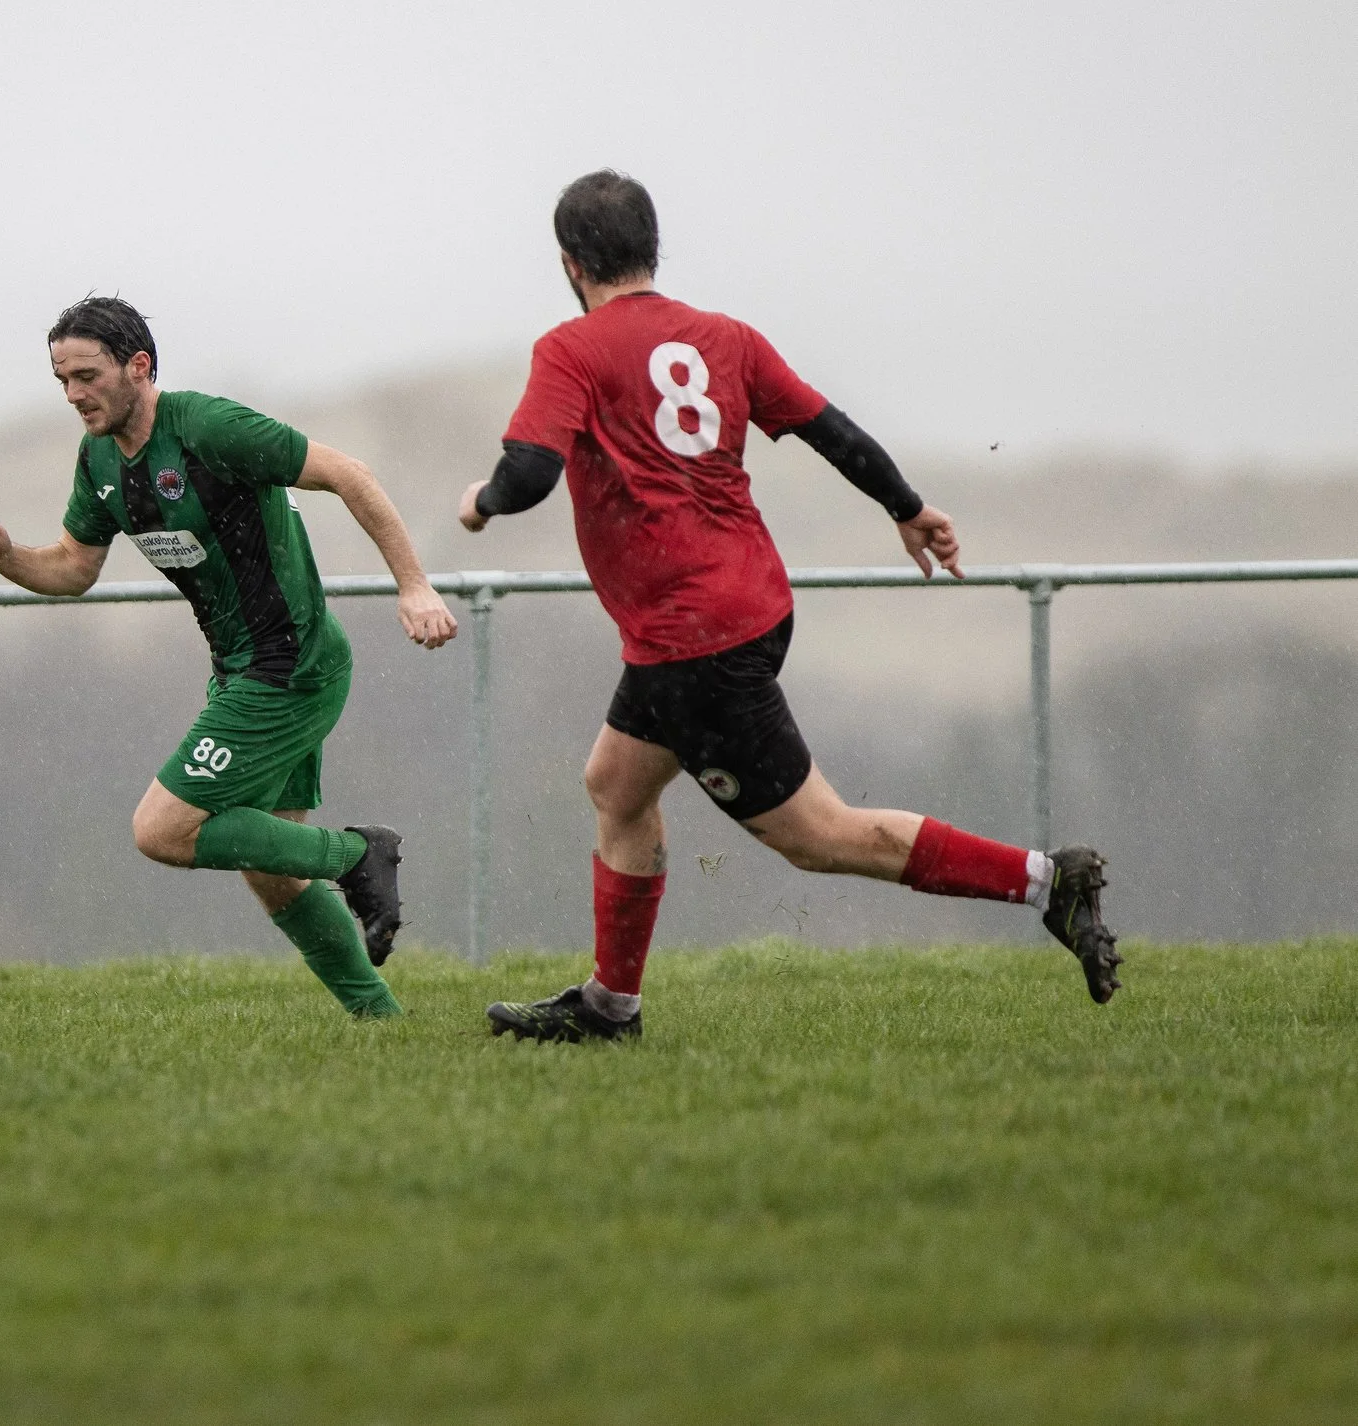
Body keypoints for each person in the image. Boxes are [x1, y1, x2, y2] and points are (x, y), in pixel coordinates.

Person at [461, 171, 1121, 1042]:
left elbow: (529, 474)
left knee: (819, 835)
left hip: (694, 639)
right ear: (652, 247)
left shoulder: (571, 350)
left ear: (570, 264)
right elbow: (831, 430)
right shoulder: (726, 338)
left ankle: (1046, 881)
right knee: (616, 786)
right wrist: (908, 507)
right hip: (745, 607)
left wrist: (481, 500)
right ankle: (610, 1005)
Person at [0, 296, 458, 1018]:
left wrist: (413, 586)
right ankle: (383, 1023)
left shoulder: (210, 428)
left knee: (160, 830)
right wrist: (6, 559)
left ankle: (359, 855)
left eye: (88, 376)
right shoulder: (99, 458)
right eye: (62, 380)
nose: (74, 395)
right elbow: (72, 567)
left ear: (139, 366)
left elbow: (350, 472)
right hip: (244, 670)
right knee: (272, 870)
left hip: (289, 668)